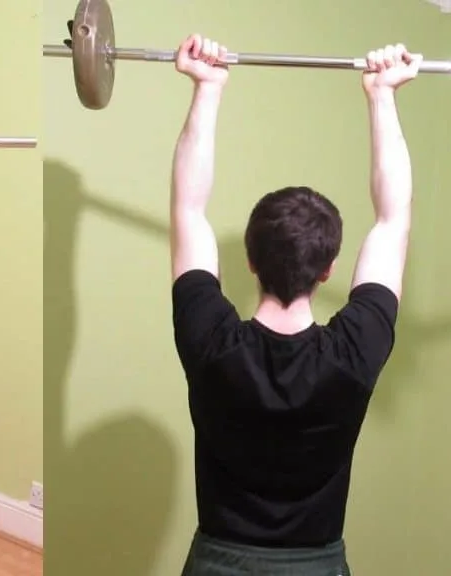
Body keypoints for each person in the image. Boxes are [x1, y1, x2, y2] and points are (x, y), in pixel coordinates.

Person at [169, 34, 420, 575]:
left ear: (251, 261)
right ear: (329, 270)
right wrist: (381, 94)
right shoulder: (354, 354)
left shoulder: (210, 342)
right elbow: (393, 218)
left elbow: (189, 209)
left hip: (217, 562)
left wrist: (207, 87)